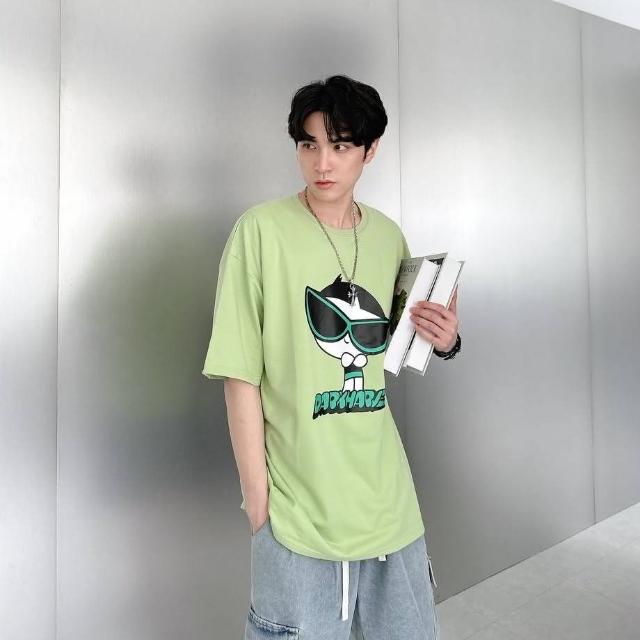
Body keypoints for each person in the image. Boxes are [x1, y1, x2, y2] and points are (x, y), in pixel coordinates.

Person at [202, 74, 461, 640]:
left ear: (370, 150)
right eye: (309, 144)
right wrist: (258, 504)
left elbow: (397, 351)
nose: (322, 163)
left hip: (389, 507)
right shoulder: (260, 232)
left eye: (340, 145)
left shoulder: (388, 237)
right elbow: (239, 376)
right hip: (299, 514)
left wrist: (445, 340)